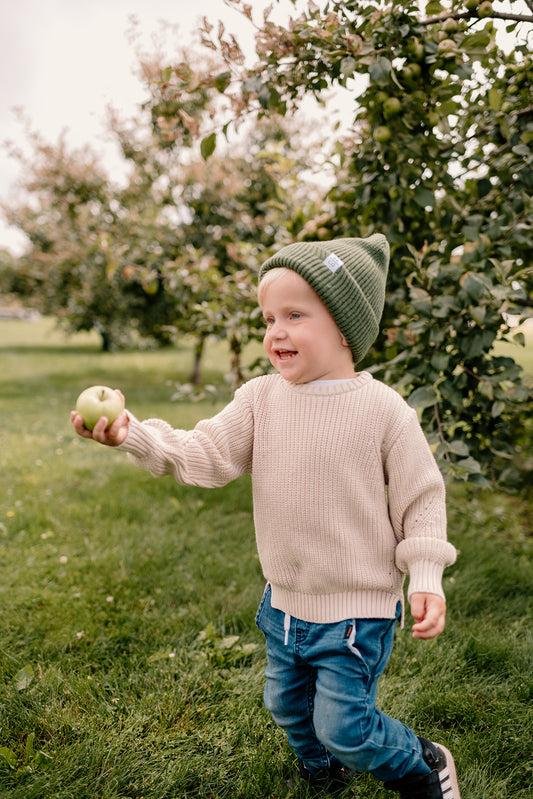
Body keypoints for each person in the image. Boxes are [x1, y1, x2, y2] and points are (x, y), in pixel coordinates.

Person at [71, 235, 461, 798]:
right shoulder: (261, 399)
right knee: (287, 706)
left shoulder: (384, 412)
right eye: (268, 317)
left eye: (293, 315)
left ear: (345, 326)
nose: (274, 331)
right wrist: (134, 434)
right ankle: (324, 771)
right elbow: (205, 452)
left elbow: (421, 498)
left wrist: (426, 575)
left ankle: (422, 766)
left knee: (344, 725)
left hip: (357, 611)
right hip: (283, 604)